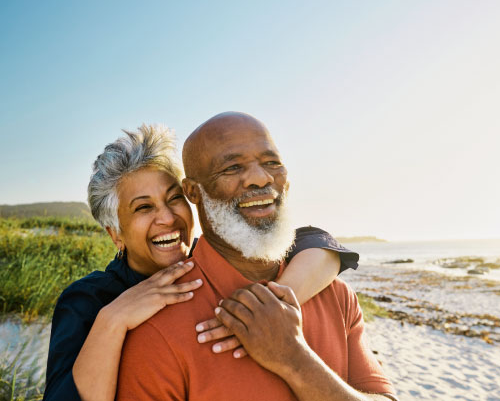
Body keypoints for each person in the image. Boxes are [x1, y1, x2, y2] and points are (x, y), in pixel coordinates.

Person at [43, 124, 360, 401]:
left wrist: (271, 304)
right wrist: (113, 319)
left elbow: (316, 242)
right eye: (143, 208)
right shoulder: (88, 301)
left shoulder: (217, 256)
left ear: (191, 195)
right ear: (116, 234)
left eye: (173, 198)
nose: (167, 218)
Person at [115, 112, 396, 401]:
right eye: (233, 167)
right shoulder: (156, 331)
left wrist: (294, 359)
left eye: (272, 163)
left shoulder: (336, 297)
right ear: (192, 192)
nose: (260, 178)